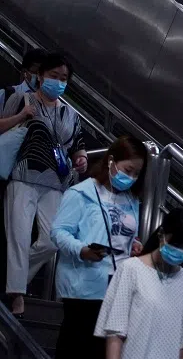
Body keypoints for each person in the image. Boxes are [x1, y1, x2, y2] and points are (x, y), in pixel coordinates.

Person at [2, 53, 88, 318]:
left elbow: (77, 145)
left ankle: (12, 280)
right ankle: (17, 296)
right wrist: (22, 116)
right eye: (54, 76)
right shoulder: (22, 99)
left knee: (52, 240)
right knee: (19, 236)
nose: (59, 82)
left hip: (56, 182)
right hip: (23, 175)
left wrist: (81, 158)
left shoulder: (69, 114)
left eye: (64, 79)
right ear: (40, 76)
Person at [50, 135, 147, 359]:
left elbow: (121, 234)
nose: (131, 177)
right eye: (128, 169)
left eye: (136, 173)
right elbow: (58, 232)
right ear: (111, 161)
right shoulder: (81, 193)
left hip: (117, 286)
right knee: (77, 347)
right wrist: (82, 249)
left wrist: (134, 244)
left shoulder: (131, 200)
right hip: (83, 287)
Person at [94, 208, 183, 359]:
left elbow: (182, 346)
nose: (181, 250)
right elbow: (115, 333)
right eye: (176, 244)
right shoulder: (131, 269)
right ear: (161, 234)